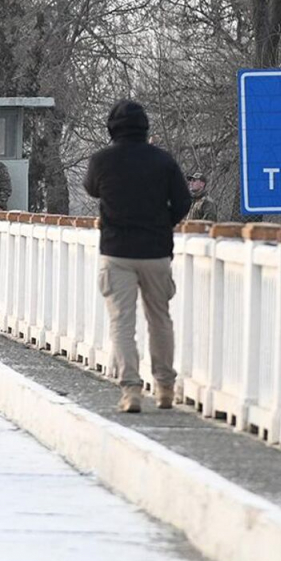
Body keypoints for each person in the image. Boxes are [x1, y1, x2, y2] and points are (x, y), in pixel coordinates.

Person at [83, 100, 192, 413]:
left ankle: (131, 390)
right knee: (160, 319)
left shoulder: (102, 160)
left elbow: (91, 188)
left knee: (122, 323)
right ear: (145, 128)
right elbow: (183, 201)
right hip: (156, 252)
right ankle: (165, 387)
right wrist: (163, 224)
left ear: (112, 129)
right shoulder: (163, 161)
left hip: (117, 252)